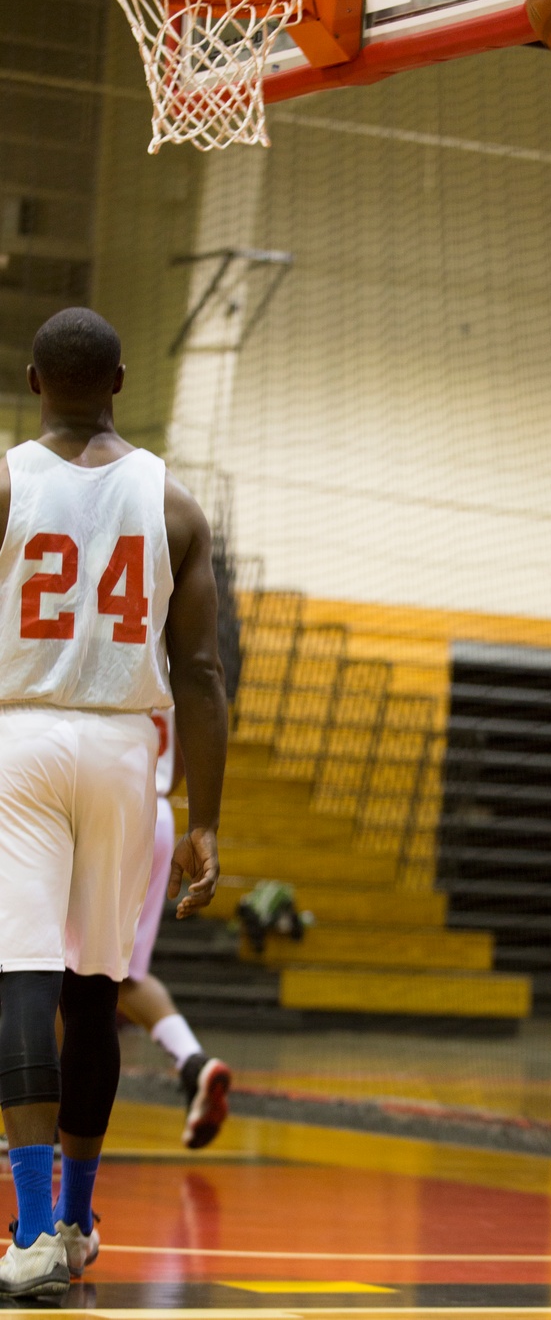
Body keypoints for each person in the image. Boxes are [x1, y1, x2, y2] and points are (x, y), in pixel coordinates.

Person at [0, 307, 228, 1299]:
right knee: (95, 989)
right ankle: (80, 1222)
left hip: (21, 735)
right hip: (128, 748)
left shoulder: (5, 478)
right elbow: (206, 675)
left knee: (20, 980)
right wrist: (207, 819)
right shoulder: (175, 505)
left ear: (35, 379)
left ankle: (37, 1227)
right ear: (122, 382)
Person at [119, 707, 232, 1150]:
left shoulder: (113, 652)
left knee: (61, 962)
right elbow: (187, 749)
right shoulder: (177, 664)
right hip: (160, 813)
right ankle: (193, 1063)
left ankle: (43, 1116)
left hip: (104, 807)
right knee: (123, 973)